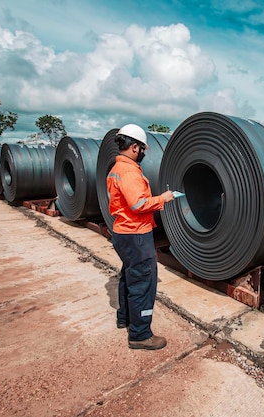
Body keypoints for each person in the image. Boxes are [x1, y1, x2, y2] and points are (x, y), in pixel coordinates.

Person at [107, 124, 174, 350]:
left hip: (123, 232)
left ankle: (124, 318)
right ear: (135, 147)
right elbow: (138, 204)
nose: (143, 153)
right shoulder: (129, 172)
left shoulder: (117, 168)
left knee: (129, 276)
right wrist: (162, 199)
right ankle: (140, 334)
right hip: (135, 235)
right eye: (143, 149)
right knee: (143, 283)